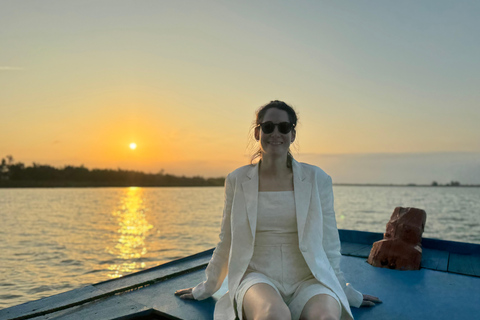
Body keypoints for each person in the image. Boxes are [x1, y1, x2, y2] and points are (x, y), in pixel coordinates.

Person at [175, 101, 381, 320]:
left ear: (292, 134)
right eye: (268, 126)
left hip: (310, 279)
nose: (276, 133)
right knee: (273, 315)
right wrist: (207, 287)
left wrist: (346, 292)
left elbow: (329, 244)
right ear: (257, 132)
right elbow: (227, 240)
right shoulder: (237, 180)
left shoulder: (317, 179)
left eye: (284, 127)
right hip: (257, 277)